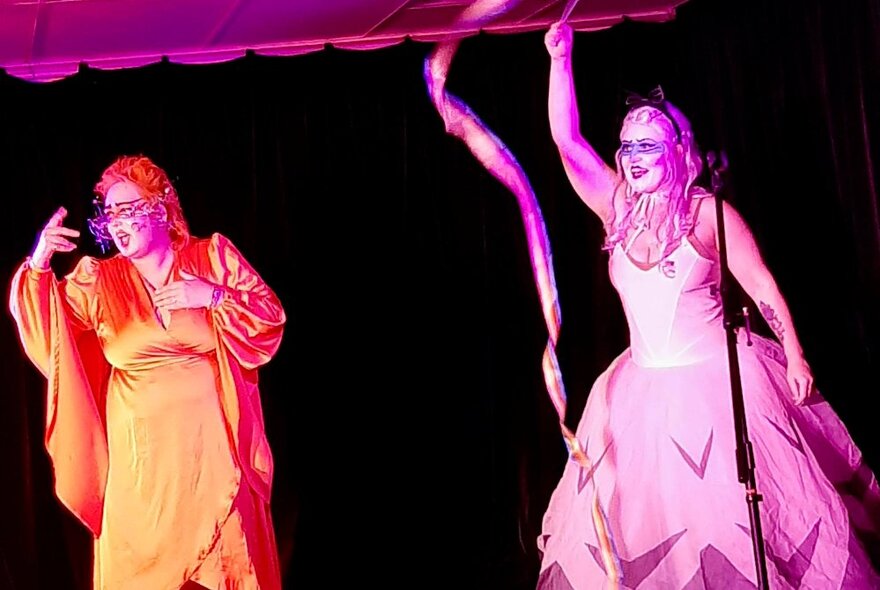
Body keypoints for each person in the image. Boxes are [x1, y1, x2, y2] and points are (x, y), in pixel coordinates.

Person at [536, 21, 880, 589]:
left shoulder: (707, 216)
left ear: (677, 149)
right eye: (626, 144)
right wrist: (560, 60)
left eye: (647, 143)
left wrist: (795, 354)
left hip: (718, 386)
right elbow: (567, 143)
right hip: (638, 392)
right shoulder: (617, 208)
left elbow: (762, 284)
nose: (632, 154)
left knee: (739, 523)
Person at [9, 155, 286, 589]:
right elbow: (50, 336)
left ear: (160, 208)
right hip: (140, 472)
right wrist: (40, 263)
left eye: (129, 209)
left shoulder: (211, 257)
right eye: (110, 213)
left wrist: (212, 295)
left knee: (228, 566)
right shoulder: (97, 279)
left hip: (212, 458)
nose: (117, 222)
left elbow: (268, 319)